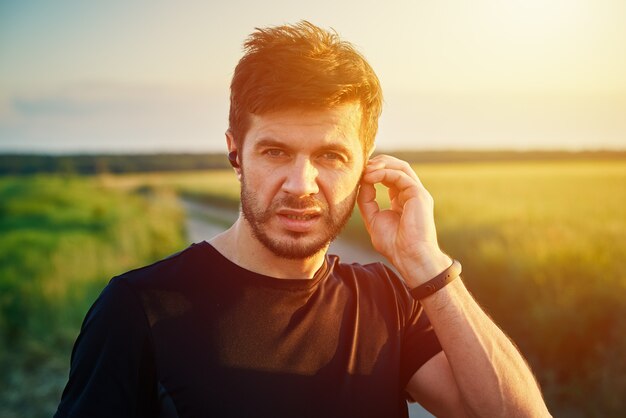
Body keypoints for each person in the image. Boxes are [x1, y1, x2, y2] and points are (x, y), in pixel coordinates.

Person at [55, 21, 551, 418]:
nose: (301, 183)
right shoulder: (136, 310)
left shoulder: (386, 300)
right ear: (235, 152)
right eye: (275, 151)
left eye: (331, 156)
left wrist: (426, 263)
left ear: (366, 166)